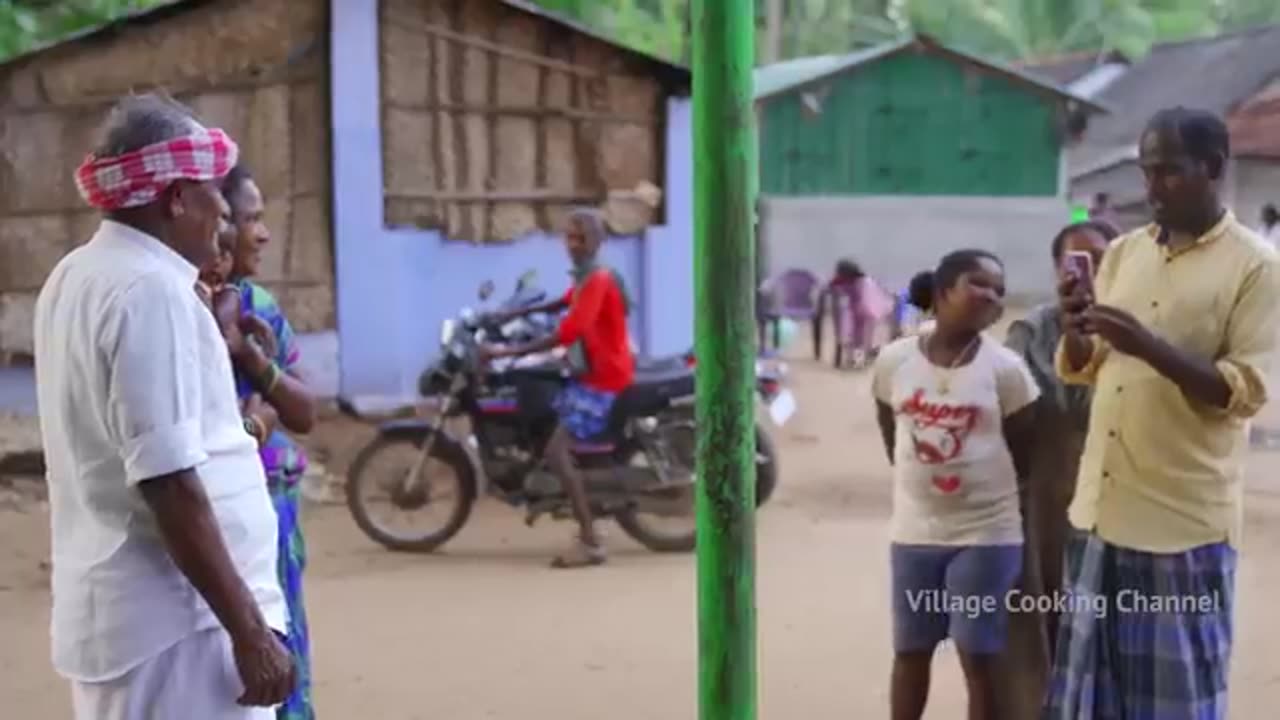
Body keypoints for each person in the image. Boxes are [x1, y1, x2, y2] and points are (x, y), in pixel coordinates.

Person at [32, 93, 294, 719]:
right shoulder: (150, 291)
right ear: (175, 198)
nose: (223, 208)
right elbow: (169, 481)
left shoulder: (80, 273)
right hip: (180, 629)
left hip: (149, 623)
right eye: (210, 191)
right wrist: (250, 633)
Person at [1046, 107, 1280, 719]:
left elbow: (1245, 391)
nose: (1151, 188)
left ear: (1214, 169)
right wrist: (1076, 328)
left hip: (1180, 527)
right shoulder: (1122, 254)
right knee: (1089, 701)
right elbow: (1085, 363)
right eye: (1147, 171)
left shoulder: (1258, 268)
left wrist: (1147, 345)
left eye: (1169, 172)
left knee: (1174, 704)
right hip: (1100, 513)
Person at [871, 249, 1039, 720]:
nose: (992, 296)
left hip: (986, 535)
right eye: (979, 283)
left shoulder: (1007, 371)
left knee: (977, 656)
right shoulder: (894, 361)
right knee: (911, 650)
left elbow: (1026, 454)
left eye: (999, 290)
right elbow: (891, 430)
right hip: (914, 534)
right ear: (943, 291)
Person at [996, 220, 1117, 718]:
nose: (1087, 274)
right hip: (1043, 497)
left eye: (1099, 260)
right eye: (1075, 262)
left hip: (1111, 497)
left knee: (1102, 623)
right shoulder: (1032, 330)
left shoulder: (1131, 329)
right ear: (1056, 271)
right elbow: (1009, 405)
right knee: (1035, 620)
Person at [479, 208, 635, 568]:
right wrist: (511, 315)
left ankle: (591, 541)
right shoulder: (589, 277)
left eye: (579, 238)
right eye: (568, 237)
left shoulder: (596, 279)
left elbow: (568, 331)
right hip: (596, 369)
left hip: (603, 379)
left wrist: (507, 351)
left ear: (596, 241)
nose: (572, 245)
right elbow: (567, 301)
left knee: (555, 452)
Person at [220, 164, 319, 720]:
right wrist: (257, 423)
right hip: (224, 518)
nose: (262, 233)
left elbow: (305, 411)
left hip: (276, 505)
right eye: (249, 219)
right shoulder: (183, 310)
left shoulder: (260, 308)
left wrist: (253, 359)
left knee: (287, 647)